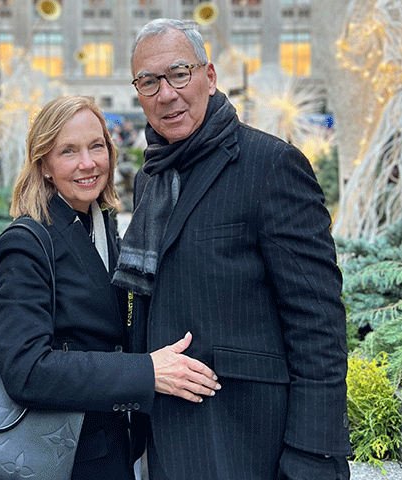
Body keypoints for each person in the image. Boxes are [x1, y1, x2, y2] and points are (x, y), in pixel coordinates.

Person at [113, 19, 352, 480]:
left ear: (210, 76)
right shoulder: (150, 179)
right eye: (149, 82)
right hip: (166, 436)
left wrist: (312, 455)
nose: (166, 94)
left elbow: (317, 323)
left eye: (179, 74)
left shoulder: (271, 166)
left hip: (247, 439)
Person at [0, 95, 221, 480]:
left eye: (96, 146)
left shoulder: (102, 224)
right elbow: (26, 371)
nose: (87, 163)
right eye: (68, 151)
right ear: (44, 165)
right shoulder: (27, 242)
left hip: (114, 448)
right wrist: (145, 372)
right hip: (62, 459)